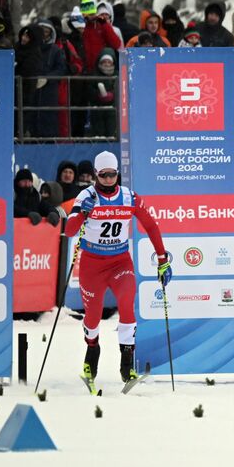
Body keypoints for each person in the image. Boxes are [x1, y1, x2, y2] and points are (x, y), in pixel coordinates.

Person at [63, 152, 169, 390]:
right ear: (96, 175)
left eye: (113, 174)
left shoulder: (129, 197)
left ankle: (127, 365)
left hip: (120, 262)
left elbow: (151, 225)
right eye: (104, 175)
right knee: (93, 315)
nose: (109, 179)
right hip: (92, 264)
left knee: (126, 302)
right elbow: (69, 231)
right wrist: (82, 213)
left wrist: (162, 259)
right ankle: (92, 354)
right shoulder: (86, 196)